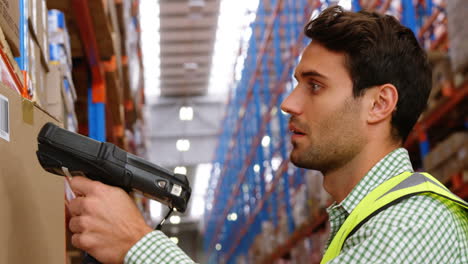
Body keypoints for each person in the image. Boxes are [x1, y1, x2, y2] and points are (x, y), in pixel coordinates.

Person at [67, 5, 468, 264]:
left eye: (314, 85)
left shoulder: (411, 225)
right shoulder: (367, 221)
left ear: (379, 104)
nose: (289, 103)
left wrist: (137, 242)